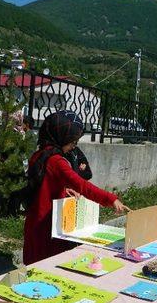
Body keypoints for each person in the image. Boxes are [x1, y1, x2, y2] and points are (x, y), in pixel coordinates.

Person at [23, 111, 128, 265]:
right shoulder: (57, 161)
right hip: (48, 225)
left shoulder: (40, 154)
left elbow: (44, 184)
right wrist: (111, 199)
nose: (73, 147)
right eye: (72, 142)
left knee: (34, 266)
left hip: (35, 220)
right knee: (48, 266)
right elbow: (81, 184)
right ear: (61, 136)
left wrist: (64, 189)